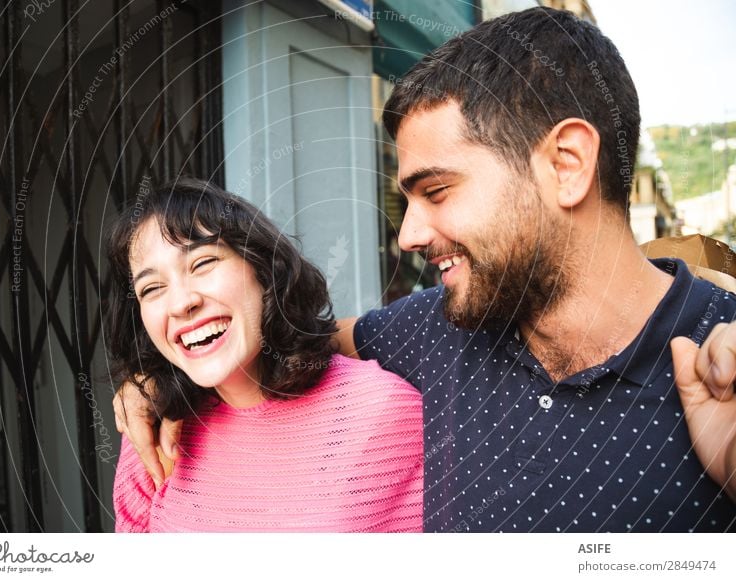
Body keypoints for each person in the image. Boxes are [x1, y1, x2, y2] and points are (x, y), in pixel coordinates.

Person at [114, 7, 736, 531]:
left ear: (567, 165)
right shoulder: (434, 332)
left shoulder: (723, 365)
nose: (408, 233)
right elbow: (289, 333)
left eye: (436, 191)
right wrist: (155, 380)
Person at [106, 177, 423, 532]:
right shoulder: (154, 427)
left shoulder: (383, 414)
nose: (181, 303)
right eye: (152, 288)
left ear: (263, 269)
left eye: (203, 263)